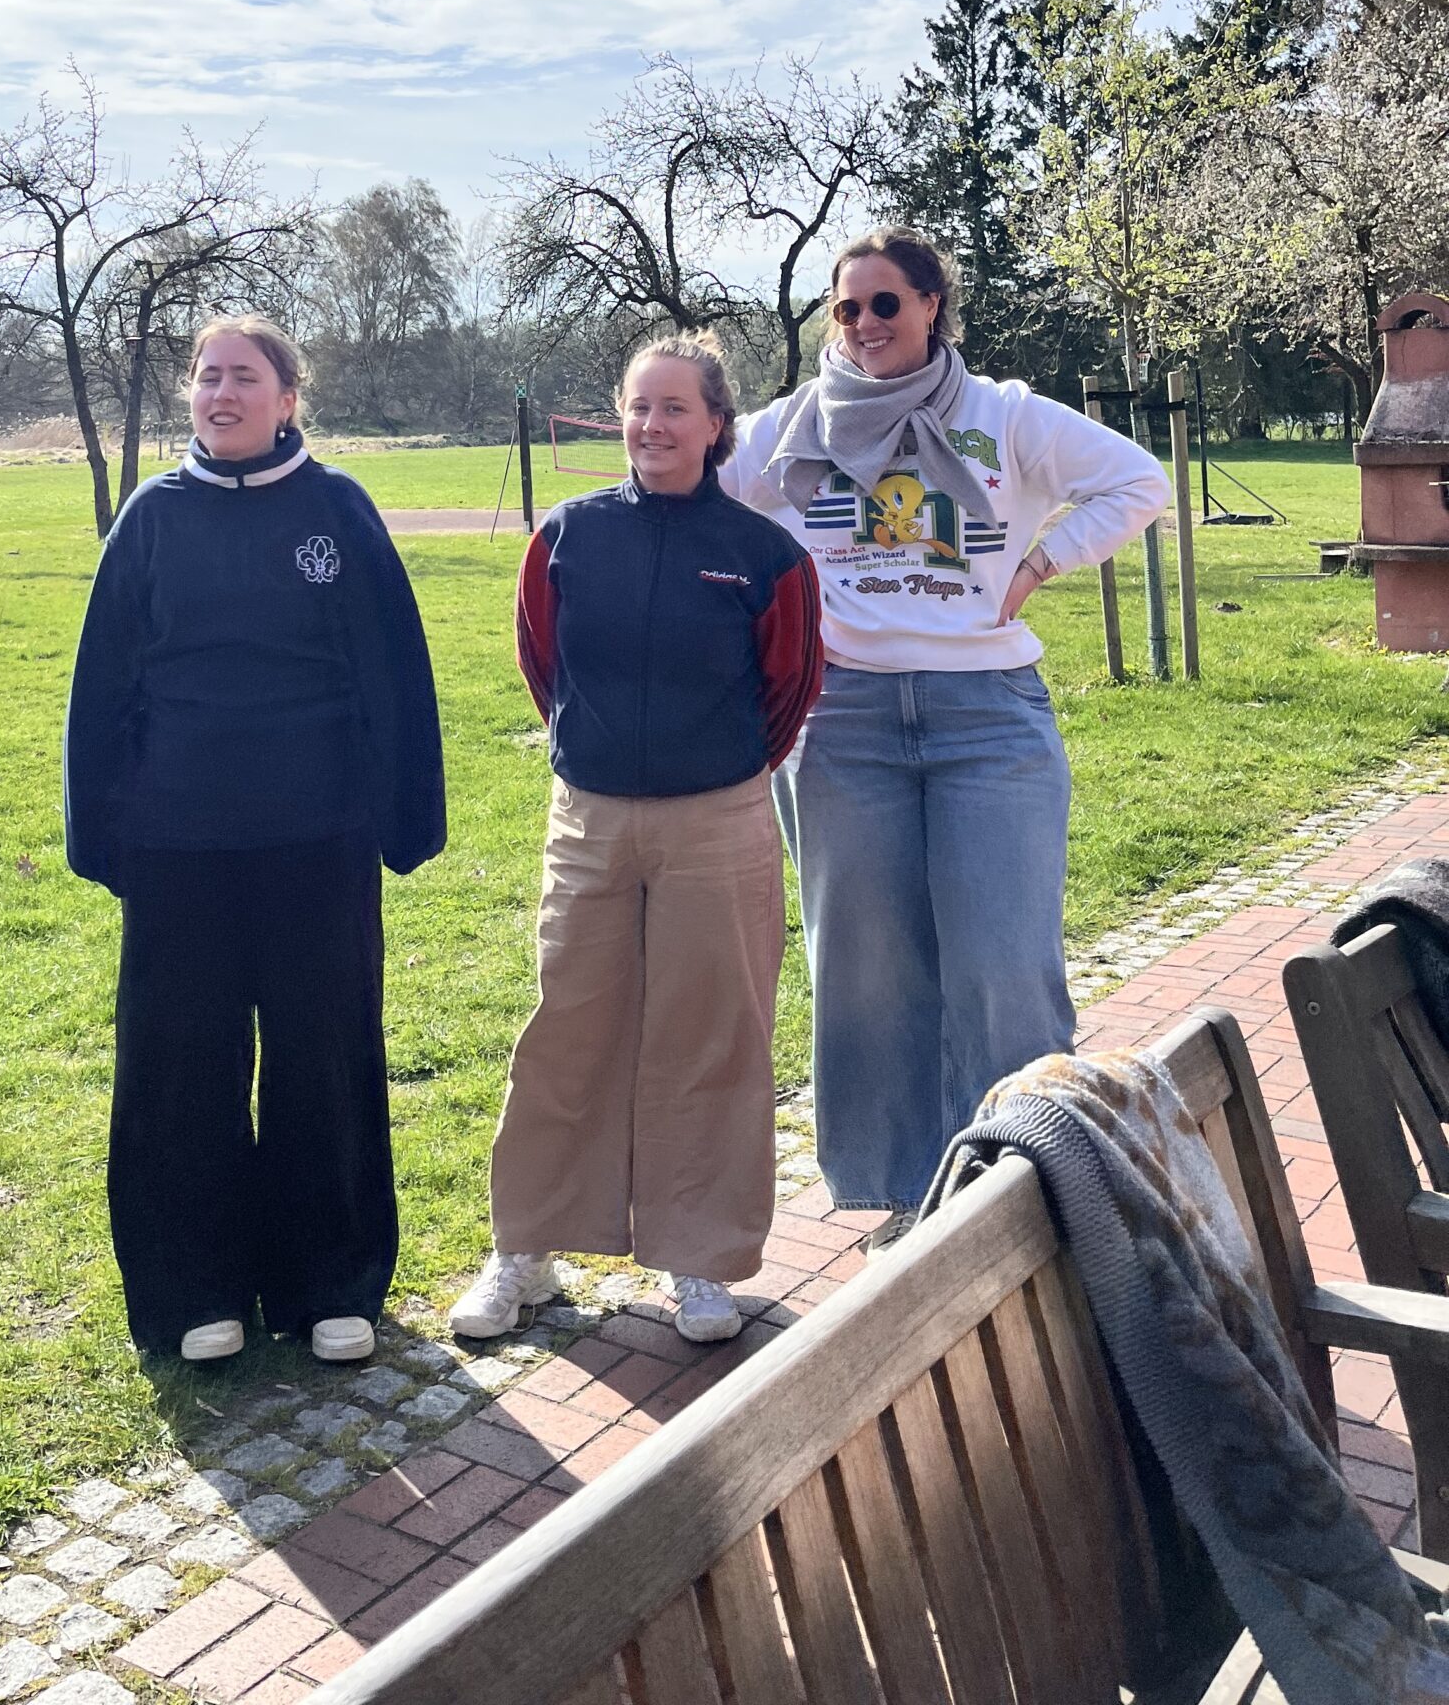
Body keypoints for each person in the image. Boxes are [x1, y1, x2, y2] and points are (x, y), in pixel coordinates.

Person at [718, 225, 1170, 1248]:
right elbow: (701, 495)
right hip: (843, 723)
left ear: (931, 305)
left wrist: (1045, 560)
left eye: (885, 303)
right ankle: (910, 1199)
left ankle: (1030, 1186)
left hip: (988, 718)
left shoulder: (1001, 416)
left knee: (1004, 965)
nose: (864, 324)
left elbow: (1139, 479)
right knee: (866, 968)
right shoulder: (791, 427)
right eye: (847, 308)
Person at [64, 316, 444, 1369]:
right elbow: (103, 687)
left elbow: (393, 673)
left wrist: (407, 815)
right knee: (179, 1061)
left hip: (318, 837)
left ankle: (331, 1283)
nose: (221, 394)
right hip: (178, 844)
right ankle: (195, 1290)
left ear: (287, 400)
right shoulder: (151, 519)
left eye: (244, 377)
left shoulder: (337, 510)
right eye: (207, 377)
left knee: (325, 1054)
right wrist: (100, 829)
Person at [451, 332, 822, 1347]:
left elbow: (789, 687)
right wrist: (601, 754)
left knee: (712, 1034)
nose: (651, 425)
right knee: (568, 1027)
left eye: (674, 408)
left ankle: (700, 1255)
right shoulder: (566, 537)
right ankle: (528, 1247)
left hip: (720, 822)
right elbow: (543, 662)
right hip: (590, 818)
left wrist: (710, 770)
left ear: (715, 425)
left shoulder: (766, 556)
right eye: (638, 406)